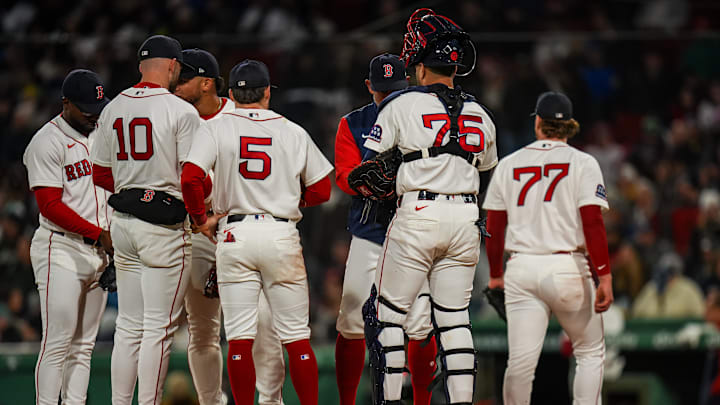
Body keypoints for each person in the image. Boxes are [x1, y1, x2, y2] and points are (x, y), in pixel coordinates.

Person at [360, 9, 498, 405]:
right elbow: (485, 166)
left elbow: (369, 166)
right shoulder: (480, 114)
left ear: (420, 67)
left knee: (386, 314)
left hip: (418, 214)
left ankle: (389, 400)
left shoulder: (401, 106)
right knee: (454, 321)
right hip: (466, 219)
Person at [180, 59, 333, 405]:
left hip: (235, 235)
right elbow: (323, 189)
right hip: (280, 233)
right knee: (296, 338)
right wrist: (289, 198)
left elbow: (190, 177)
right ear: (267, 92)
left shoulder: (216, 128)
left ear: (231, 93)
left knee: (239, 339)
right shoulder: (291, 130)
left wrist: (200, 218)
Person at [482, 91, 614, 404]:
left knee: (520, 364)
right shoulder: (583, 162)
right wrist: (604, 275)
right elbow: (592, 222)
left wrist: (496, 275)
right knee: (589, 352)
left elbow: (494, 226)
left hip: (521, 267)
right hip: (567, 266)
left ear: (538, 122)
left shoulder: (509, 163)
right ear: (569, 125)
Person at [90, 35, 201, 405]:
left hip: (123, 222)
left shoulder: (112, 108)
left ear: (141, 66)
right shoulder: (181, 110)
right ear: (172, 66)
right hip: (164, 228)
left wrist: (132, 181)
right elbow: (194, 177)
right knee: (158, 329)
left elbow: (100, 174)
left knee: (127, 327)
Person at [174, 48, 286, 405]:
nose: (175, 85)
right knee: (203, 329)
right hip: (198, 231)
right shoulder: (172, 118)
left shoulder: (240, 112)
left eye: (183, 79)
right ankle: (212, 402)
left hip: (243, 227)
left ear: (206, 83)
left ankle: (270, 400)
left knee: (265, 326)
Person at [334, 53, 435, 405]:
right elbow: (343, 175)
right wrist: (367, 181)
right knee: (350, 317)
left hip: (415, 228)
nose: (390, 97)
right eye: (383, 91)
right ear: (369, 88)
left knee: (420, 325)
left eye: (396, 89)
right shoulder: (353, 122)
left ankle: (421, 401)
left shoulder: (426, 115)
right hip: (371, 229)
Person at [23, 69, 113, 405]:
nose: (94, 113)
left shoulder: (102, 133)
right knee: (57, 341)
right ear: (66, 104)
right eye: (86, 107)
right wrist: (98, 234)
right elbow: (49, 206)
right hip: (59, 248)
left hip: (100, 250)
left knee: (84, 346)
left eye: (98, 105)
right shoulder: (46, 142)